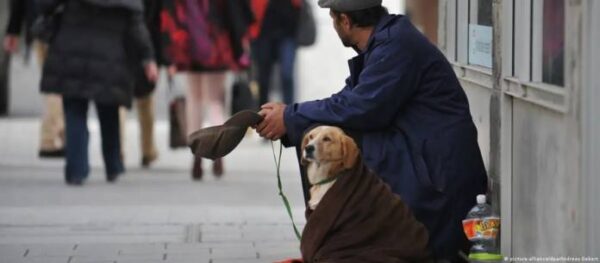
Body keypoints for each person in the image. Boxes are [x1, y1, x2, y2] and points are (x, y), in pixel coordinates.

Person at [256, 0, 488, 261]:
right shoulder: (385, 42)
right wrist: (289, 117)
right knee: (320, 135)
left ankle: (337, 240)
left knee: (325, 143)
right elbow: (347, 101)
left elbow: (361, 108)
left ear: (345, 21)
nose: (334, 27)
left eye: (333, 19)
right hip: (422, 161)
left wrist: (290, 116)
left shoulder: (396, 45)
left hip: (438, 184)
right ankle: (333, 240)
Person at [38, 0, 157, 185]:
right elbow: (136, 26)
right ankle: (113, 165)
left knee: (74, 112)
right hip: (111, 56)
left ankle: (76, 170)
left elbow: (45, 5)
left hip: (71, 51)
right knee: (109, 112)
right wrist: (147, 56)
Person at [161, 0, 253, 180]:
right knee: (214, 101)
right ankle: (218, 153)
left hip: (189, 44)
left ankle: (196, 155)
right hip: (217, 43)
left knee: (194, 100)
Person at [3, 0, 66, 158]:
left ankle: (54, 136)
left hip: (40, 25)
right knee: (59, 84)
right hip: (64, 25)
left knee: (53, 82)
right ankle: (51, 138)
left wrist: (13, 30)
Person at [250, 0, 301, 106]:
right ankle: (261, 113)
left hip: (288, 33)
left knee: (287, 74)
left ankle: (290, 112)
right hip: (263, 32)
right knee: (263, 77)